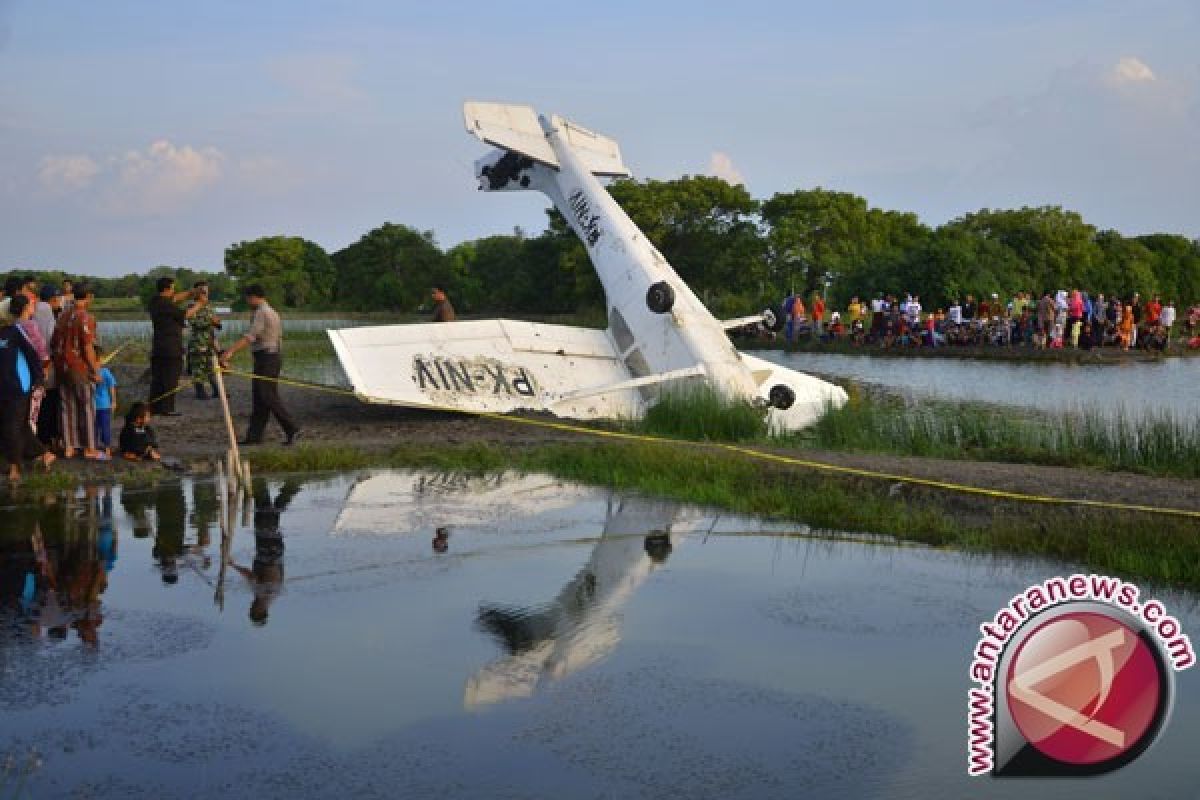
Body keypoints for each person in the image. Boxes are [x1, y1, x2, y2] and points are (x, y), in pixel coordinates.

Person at [219, 285, 300, 446]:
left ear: (254, 297)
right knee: (259, 397)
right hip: (268, 356)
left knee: (267, 395)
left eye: (248, 298)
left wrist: (230, 352)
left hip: (268, 357)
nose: (247, 301)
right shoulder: (268, 311)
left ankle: (292, 428)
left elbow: (251, 336)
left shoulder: (262, 312)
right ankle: (254, 437)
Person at [0, 295, 55, 481]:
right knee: (21, 425)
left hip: (19, 386)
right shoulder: (3, 332)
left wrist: (39, 379)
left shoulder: (17, 331)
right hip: (4, 387)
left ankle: (15, 467)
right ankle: (43, 454)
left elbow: (34, 356)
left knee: (12, 425)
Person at [50, 284, 103, 460]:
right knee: (87, 407)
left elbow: (54, 342)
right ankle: (89, 447)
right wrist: (95, 371)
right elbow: (88, 347)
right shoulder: (86, 317)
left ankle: (69, 446)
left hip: (61, 368)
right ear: (88, 296)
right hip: (79, 368)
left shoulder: (62, 316)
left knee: (67, 407)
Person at [148, 277, 196, 416]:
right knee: (170, 379)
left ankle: (155, 407)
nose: (174, 291)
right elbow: (185, 314)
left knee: (157, 379)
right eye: (172, 288)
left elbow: (175, 298)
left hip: (158, 347)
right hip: (171, 348)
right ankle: (167, 408)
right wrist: (199, 303)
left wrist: (191, 292)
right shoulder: (167, 305)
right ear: (167, 289)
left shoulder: (155, 302)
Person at [186, 281, 222, 399]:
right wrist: (210, 322)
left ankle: (217, 391)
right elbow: (194, 323)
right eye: (202, 291)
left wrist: (217, 324)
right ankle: (200, 392)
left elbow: (215, 322)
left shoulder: (208, 306)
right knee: (198, 368)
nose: (205, 293)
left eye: (206, 290)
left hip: (209, 342)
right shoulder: (192, 306)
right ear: (196, 292)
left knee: (211, 367)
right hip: (197, 342)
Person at [93, 346, 117, 458]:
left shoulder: (105, 371)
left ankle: (107, 447)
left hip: (104, 406)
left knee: (104, 427)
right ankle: (94, 446)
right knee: (94, 427)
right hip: (93, 406)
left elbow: (112, 386)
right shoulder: (90, 372)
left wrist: (113, 401)